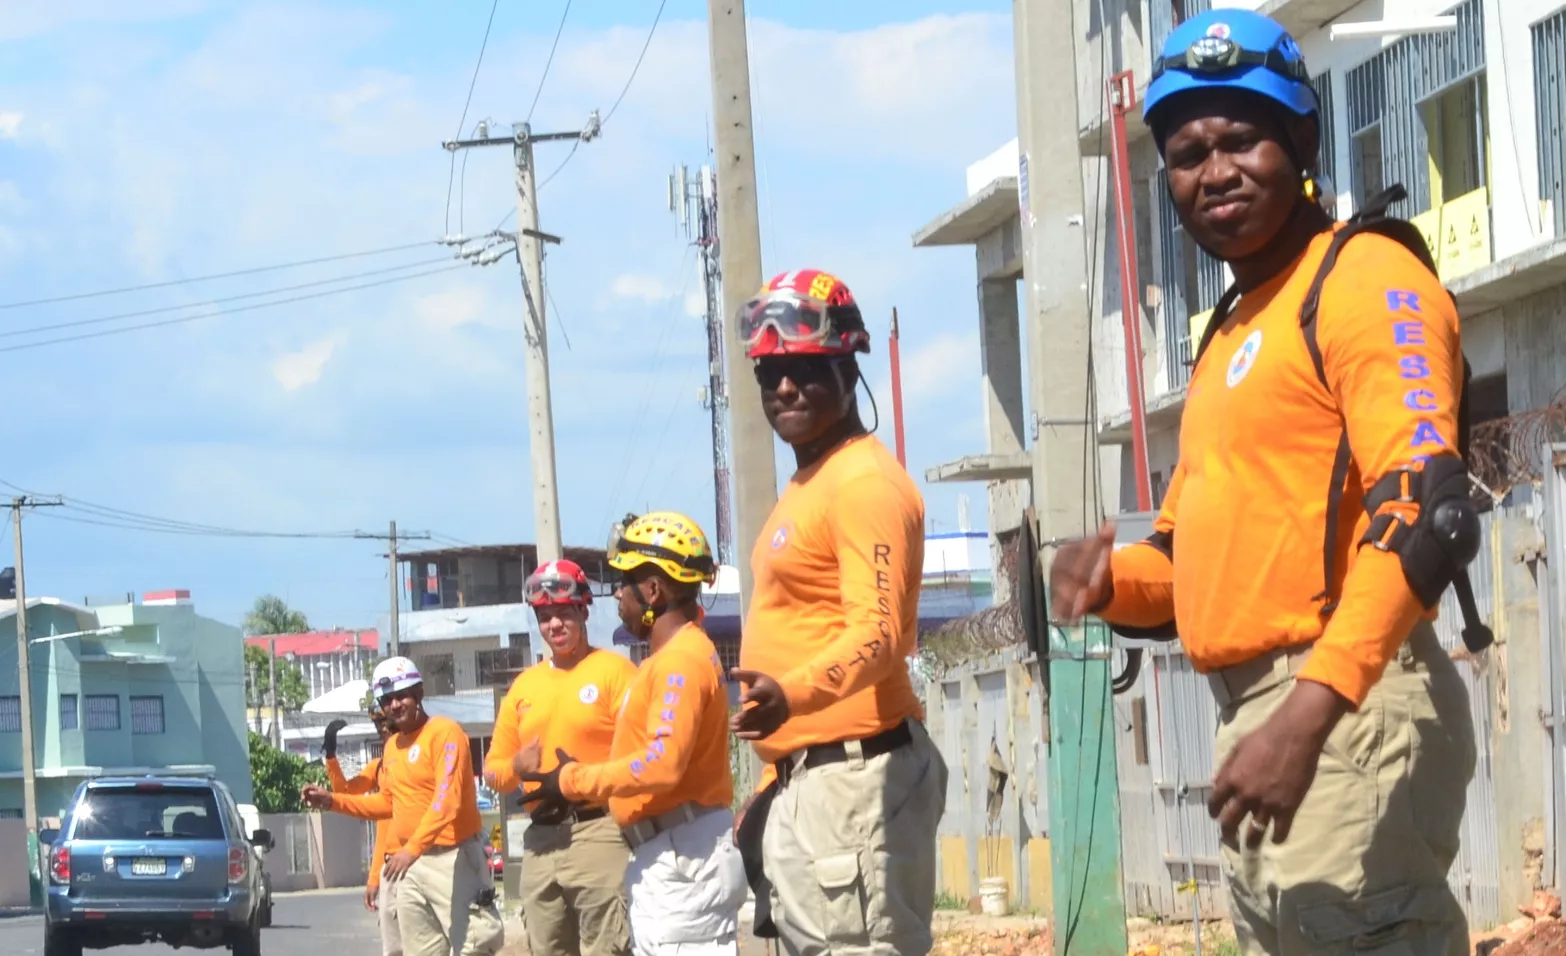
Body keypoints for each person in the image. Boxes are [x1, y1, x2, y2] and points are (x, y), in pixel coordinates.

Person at [1047, 9, 1477, 955]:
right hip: (1262, 714)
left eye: (1243, 137)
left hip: (1346, 703)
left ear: (1302, 139)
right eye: (1189, 153)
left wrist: (1310, 713)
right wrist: (1111, 581)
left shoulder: (1363, 277)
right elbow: (1183, 560)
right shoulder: (1234, 329)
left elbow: (1429, 513)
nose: (1216, 172)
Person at [726, 268, 947, 955]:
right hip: (815, 780)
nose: (783, 387)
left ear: (848, 369)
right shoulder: (811, 482)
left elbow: (879, 635)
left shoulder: (862, 484)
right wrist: (775, 777)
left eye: (803, 369)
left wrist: (790, 696)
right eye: (770, 373)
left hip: (856, 779)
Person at [522, 512, 747, 956]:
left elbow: (662, 764)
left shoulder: (680, 661)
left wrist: (573, 780)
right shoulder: (671, 658)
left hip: (683, 857)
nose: (618, 597)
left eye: (623, 583)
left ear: (653, 590)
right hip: (671, 851)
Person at [483, 560, 636, 956]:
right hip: (540, 841)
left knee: (609, 948)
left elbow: (640, 756)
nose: (555, 625)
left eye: (564, 613)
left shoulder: (615, 672)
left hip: (599, 830)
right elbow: (493, 773)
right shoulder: (524, 687)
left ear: (584, 610)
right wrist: (517, 768)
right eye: (545, 616)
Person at [302, 657, 505, 956]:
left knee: (473, 947)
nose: (395, 705)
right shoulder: (391, 749)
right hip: (411, 865)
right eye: (387, 700)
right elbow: (388, 803)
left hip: (454, 857)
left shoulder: (445, 733)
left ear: (419, 693)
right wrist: (333, 801)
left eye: (402, 695)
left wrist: (410, 850)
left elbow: (446, 800)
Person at [324, 703, 402, 956]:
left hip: (423, 858)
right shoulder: (379, 767)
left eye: (387, 725)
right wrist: (331, 755)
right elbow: (345, 791)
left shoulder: (419, 759)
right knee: (395, 945)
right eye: (379, 727)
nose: (383, 731)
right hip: (391, 866)